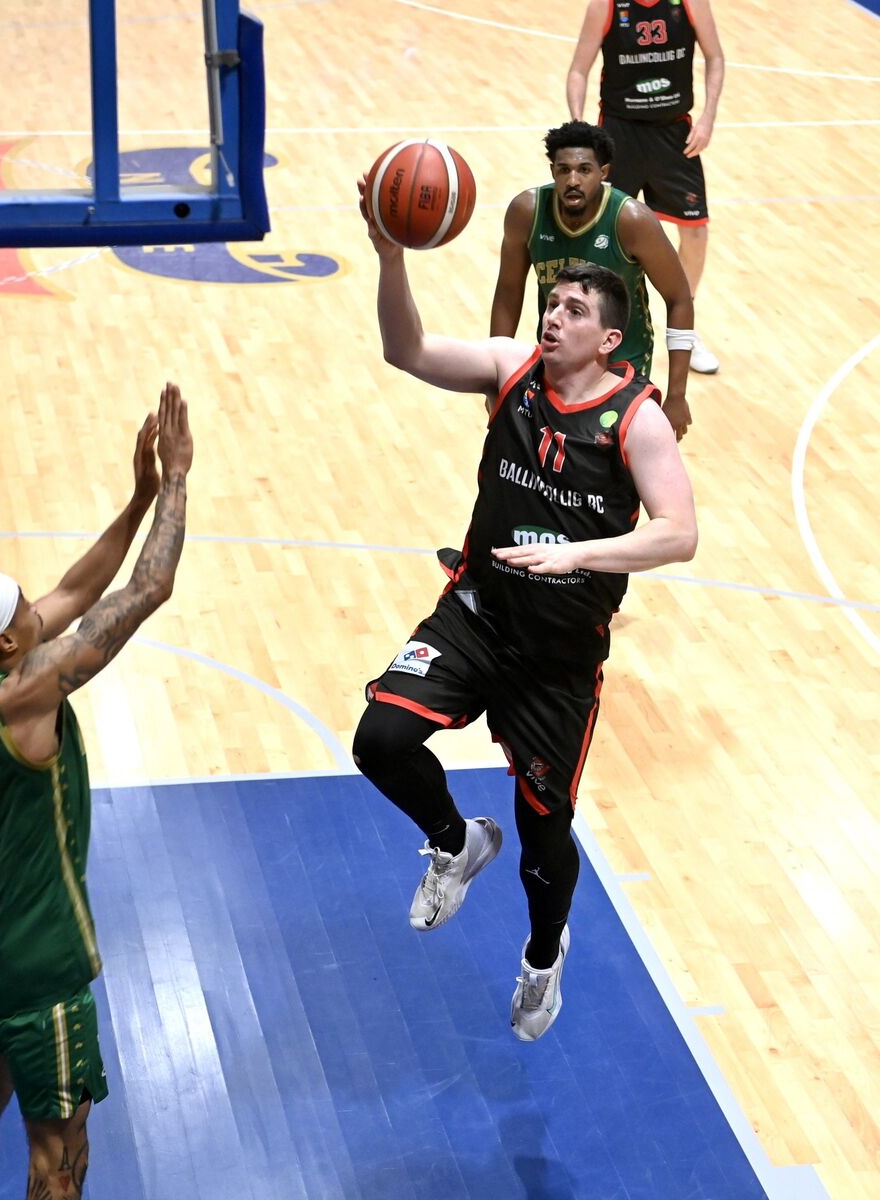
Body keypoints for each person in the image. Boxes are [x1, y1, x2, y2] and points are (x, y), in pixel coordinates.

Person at [353, 182, 697, 1042]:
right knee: (380, 741)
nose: (552, 316)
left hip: (558, 659)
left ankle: (544, 958)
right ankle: (453, 840)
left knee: (546, 844)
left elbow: (679, 535)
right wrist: (391, 253)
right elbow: (409, 350)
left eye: (573, 309)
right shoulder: (512, 370)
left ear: (609, 338)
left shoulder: (635, 419)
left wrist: (576, 554)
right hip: (477, 613)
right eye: (551, 302)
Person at [0, 383, 193, 1200]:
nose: (35, 603)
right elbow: (145, 592)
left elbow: (77, 591)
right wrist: (180, 478)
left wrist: (137, 498)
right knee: (61, 1148)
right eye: (23, 608)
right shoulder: (27, 691)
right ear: (12, 641)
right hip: (36, 958)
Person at [490, 120, 694, 440]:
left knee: (613, 474)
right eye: (564, 170)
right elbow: (507, 292)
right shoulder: (526, 212)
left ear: (604, 172)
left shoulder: (631, 220)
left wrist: (678, 395)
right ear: (553, 171)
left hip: (621, 367)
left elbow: (679, 298)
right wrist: (497, 378)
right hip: (556, 363)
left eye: (584, 170)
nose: (573, 180)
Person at [565, 0, 725, 374]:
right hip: (619, 132)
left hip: (675, 134)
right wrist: (580, 127)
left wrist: (708, 117)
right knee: (602, 237)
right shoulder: (606, 5)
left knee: (696, 232)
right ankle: (595, 329)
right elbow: (578, 70)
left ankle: (684, 331)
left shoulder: (689, 3)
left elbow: (716, 57)